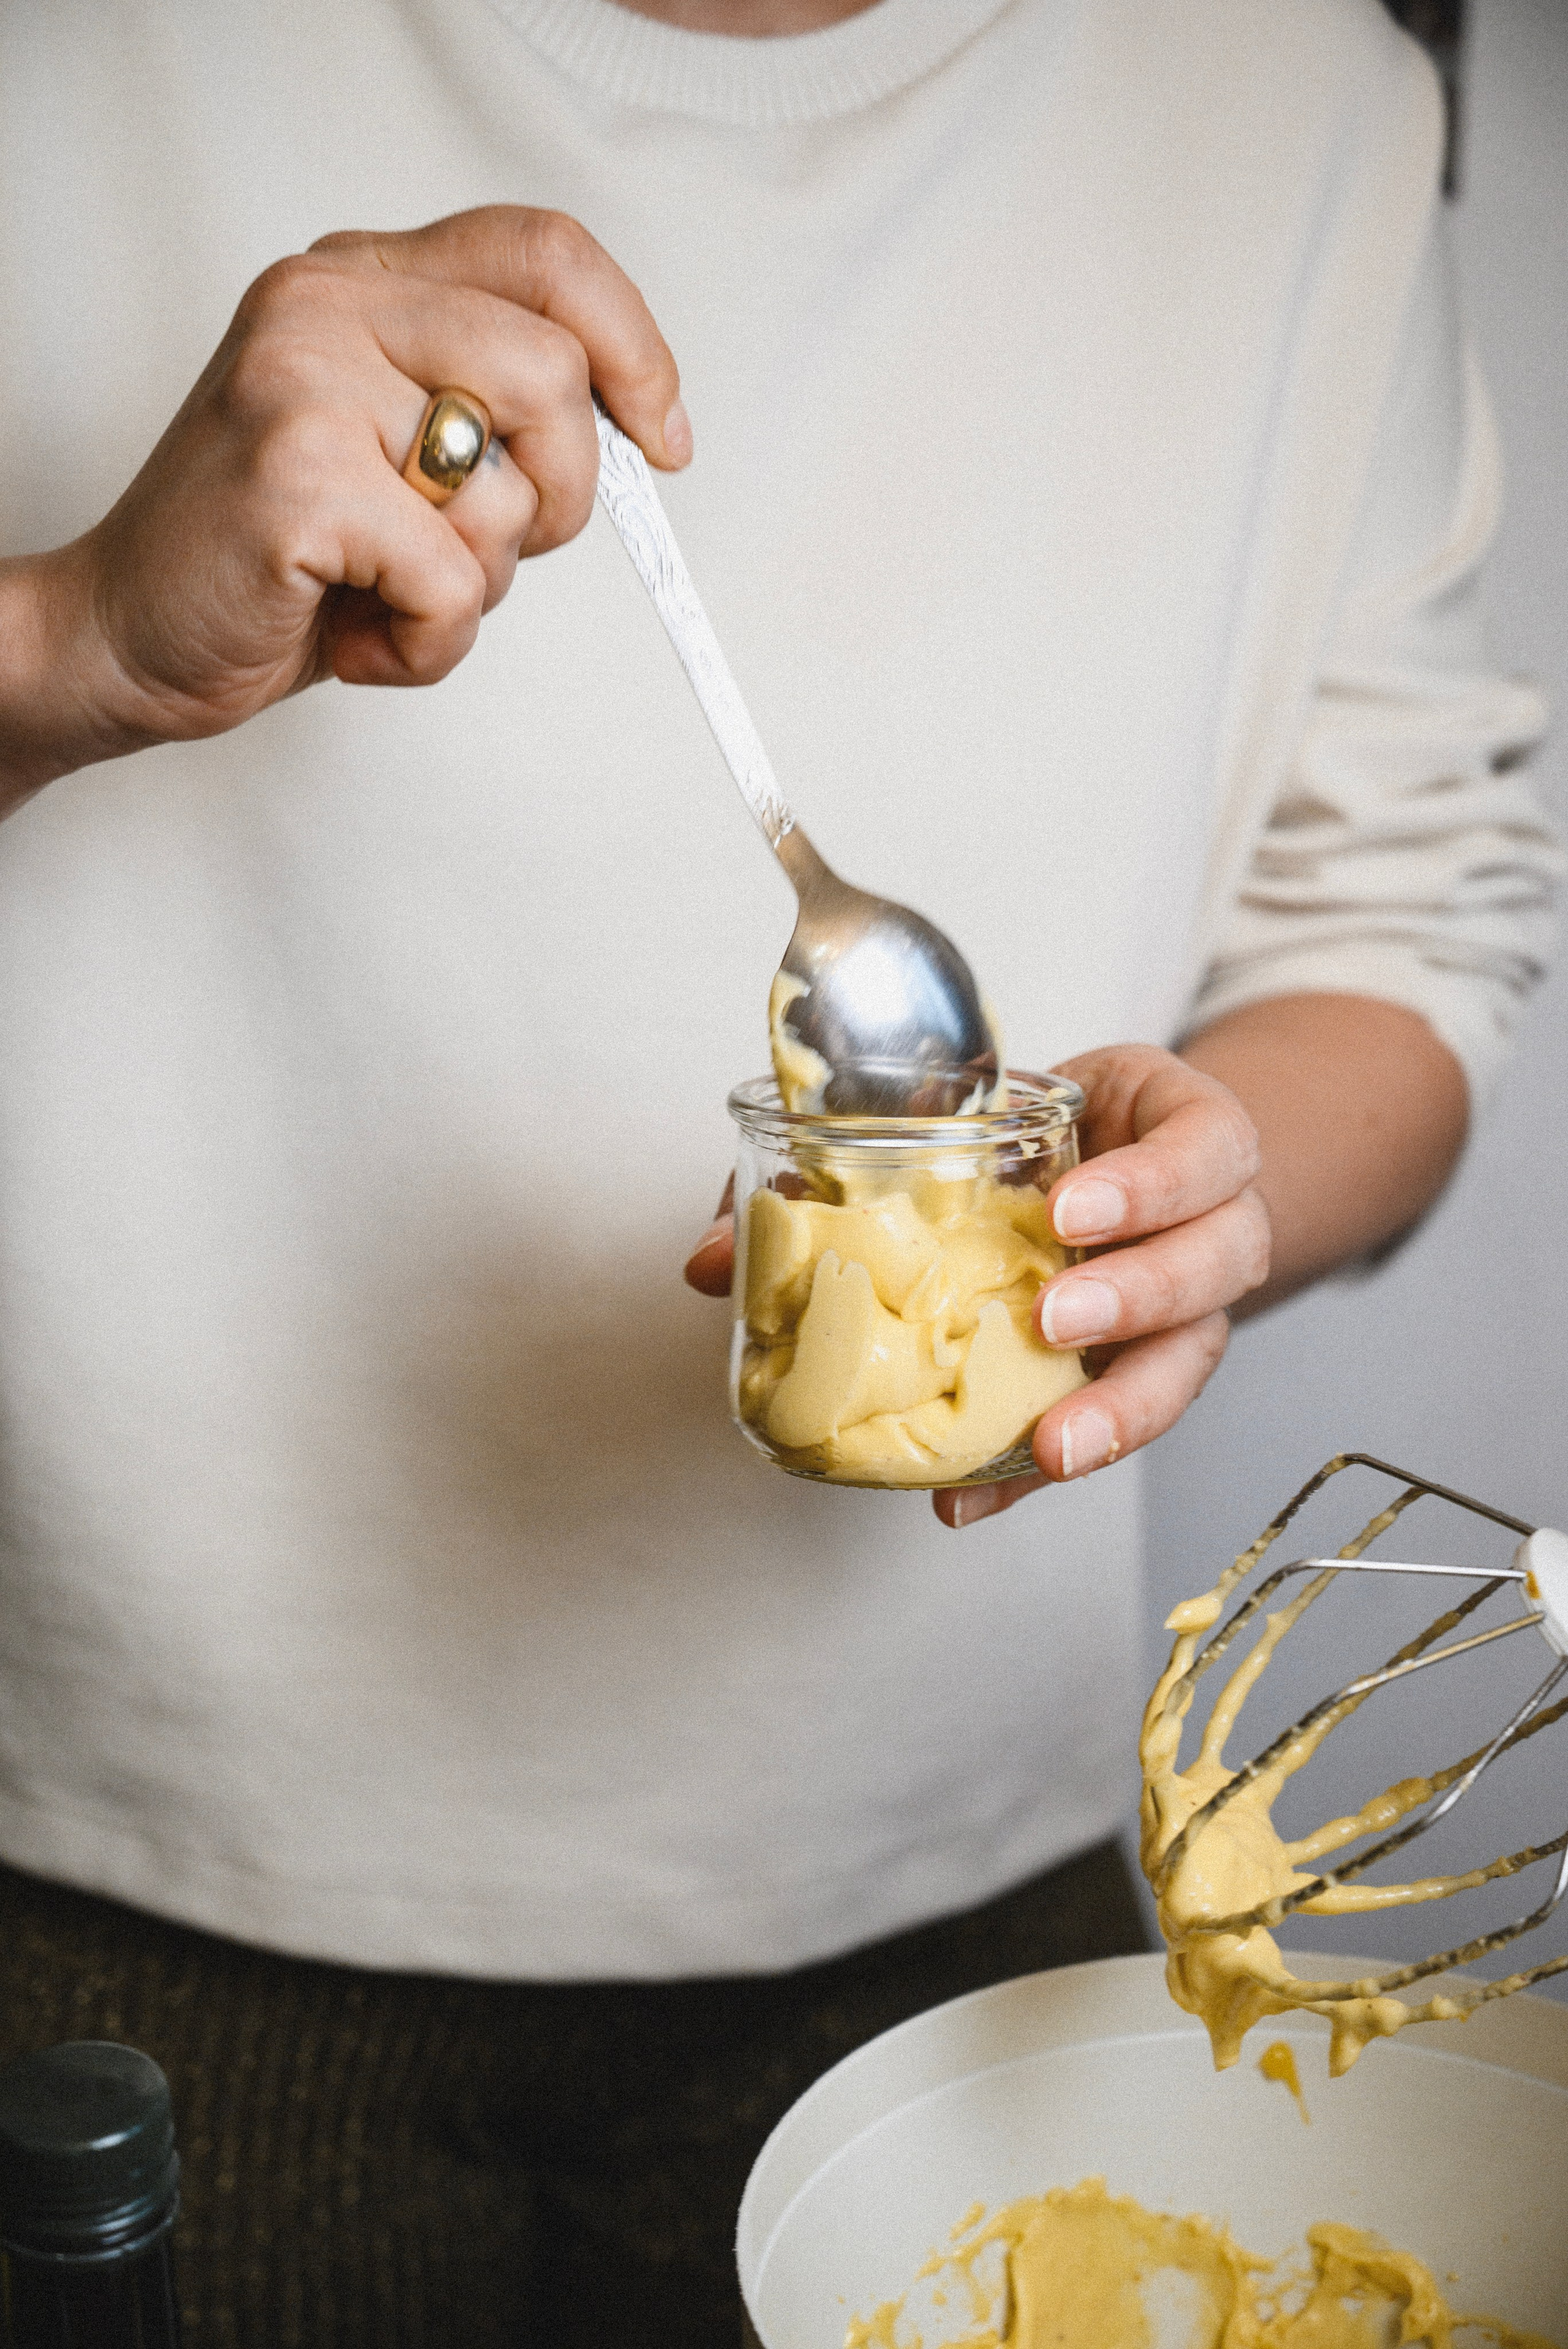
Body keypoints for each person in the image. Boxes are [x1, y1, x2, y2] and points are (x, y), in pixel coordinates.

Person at [0, 0, 1556, 2340]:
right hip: (135, 1906)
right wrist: (66, 635)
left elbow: (1412, 912)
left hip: (974, 1915)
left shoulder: (1307, 89)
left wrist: (1194, 1207)